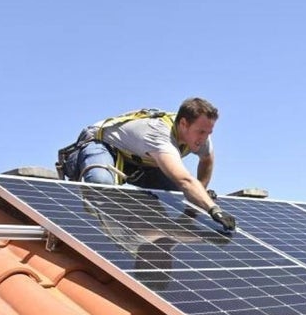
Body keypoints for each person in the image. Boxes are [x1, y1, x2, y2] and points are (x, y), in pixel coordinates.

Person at [60, 97, 235, 231]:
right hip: (104, 145)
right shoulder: (159, 135)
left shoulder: (201, 136)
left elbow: (206, 159)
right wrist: (213, 209)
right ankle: (96, 233)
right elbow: (185, 180)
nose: (204, 138)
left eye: (209, 132)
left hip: (142, 161)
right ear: (183, 124)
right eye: (201, 132)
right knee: (101, 184)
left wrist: (201, 192)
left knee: (186, 196)